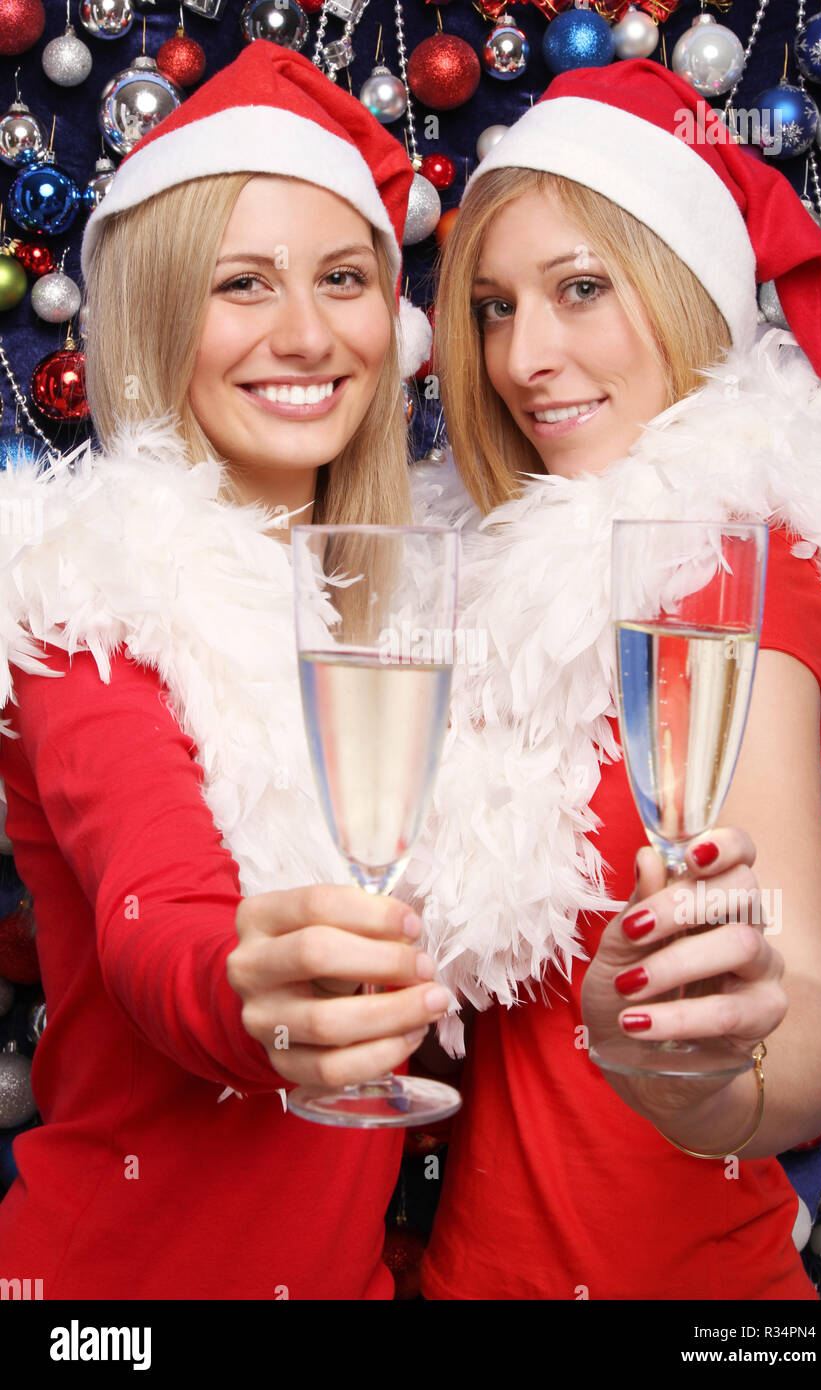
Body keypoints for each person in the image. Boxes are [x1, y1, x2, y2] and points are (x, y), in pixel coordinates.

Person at [402, 59, 821, 1300]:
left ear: (682, 291)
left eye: (579, 289)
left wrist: (696, 1075)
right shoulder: (486, 586)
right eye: (492, 308)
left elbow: (799, 1015)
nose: (522, 357)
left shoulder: (729, 577)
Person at [0, 40, 450, 1300]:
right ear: (157, 316)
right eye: (241, 284)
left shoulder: (414, 612)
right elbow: (160, 923)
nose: (305, 334)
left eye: (342, 278)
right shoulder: (85, 602)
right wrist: (254, 995)